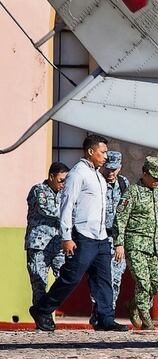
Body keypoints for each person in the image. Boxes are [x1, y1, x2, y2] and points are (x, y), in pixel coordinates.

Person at [30, 134, 128, 332]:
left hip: (101, 237)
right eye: (103, 152)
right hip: (83, 236)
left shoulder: (98, 176)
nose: (105, 157)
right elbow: (66, 206)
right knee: (71, 277)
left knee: (104, 279)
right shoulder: (78, 173)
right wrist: (66, 237)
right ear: (91, 152)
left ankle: (105, 319)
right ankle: (42, 309)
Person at [114, 156, 158, 330]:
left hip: (155, 244)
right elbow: (120, 219)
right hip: (135, 244)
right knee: (143, 282)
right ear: (145, 174)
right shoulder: (132, 192)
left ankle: (134, 305)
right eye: (155, 177)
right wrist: (119, 243)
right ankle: (146, 321)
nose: (157, 181)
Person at [91, 150, 129, 327]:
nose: (111, 173)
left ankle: (107, 315)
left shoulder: (123, 184)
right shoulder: (94, 181)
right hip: (97, 236)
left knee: (115, 278)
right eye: (108, 169)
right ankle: (98, 311)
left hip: (116, 239)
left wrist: (121, 242)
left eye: (114, 169)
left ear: (120, 168)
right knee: (98, 277)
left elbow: (126, 214)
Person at [24, 162, 68, 308]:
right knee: (39, 283)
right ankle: (42, 317)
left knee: (66, 278)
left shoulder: (64, 194)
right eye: (61, 180)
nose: (63, 184)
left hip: (58, 245)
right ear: (51, 177)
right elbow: (46, 209)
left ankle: (47, 308)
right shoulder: (39, 190)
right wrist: (70, 214)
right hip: (40, 245)